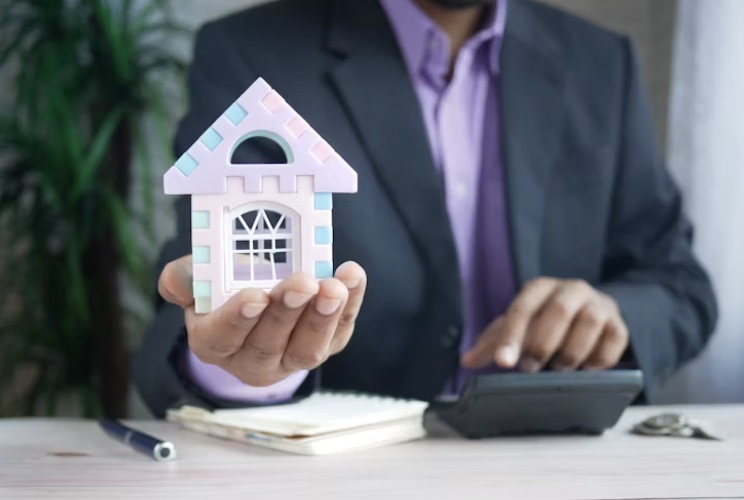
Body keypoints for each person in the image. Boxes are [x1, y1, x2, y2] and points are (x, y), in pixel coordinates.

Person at [133, 0, 717, 418]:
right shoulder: (251, 53)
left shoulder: (601, 63)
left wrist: (613, 314)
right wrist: (243, 366)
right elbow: (202, 296)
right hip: (352, 470)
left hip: (560, 457)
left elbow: (680, 286)